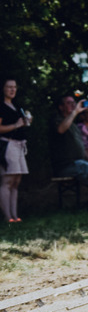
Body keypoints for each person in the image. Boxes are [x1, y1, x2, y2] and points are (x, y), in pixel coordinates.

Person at [0, 78, 30, 223]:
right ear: (3, 89)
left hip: (19, 145)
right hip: (8, 144)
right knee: (7, 180)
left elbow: (22, 123)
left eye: (14, 87)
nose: (12, 90)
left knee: (16, 181)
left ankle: (15, 215)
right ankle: (7, 216)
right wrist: (16, 125)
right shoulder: (1, 107)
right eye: (9, 87)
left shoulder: (17, 107)